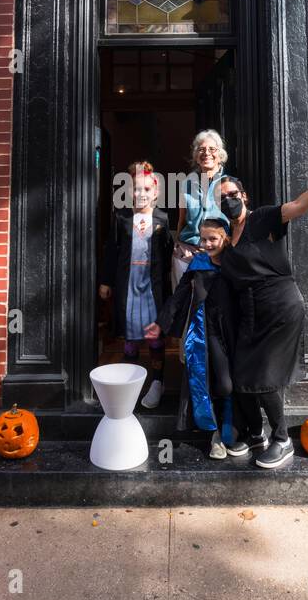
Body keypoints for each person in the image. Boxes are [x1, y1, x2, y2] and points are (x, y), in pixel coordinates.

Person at [213, 151, 308, 469]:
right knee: (242, 375)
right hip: (251, 315)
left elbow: (299, 205)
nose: (229, 201)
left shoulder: (262, 220)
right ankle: (256, 434)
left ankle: (282, 440)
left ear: (244, 196)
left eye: (233, 195)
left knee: (265, 376)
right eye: (222, 199)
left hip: (280, 309)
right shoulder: (225, 242)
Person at [143, 219, 236, 459]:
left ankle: (234, 431)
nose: (206, 244)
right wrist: (160, 324)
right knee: (207, 382)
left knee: (228, 384)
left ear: (224, 237)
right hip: (205, 332)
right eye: (203, 239)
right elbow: (179, 296)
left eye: (212, 239)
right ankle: (215, 434)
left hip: (233, 332)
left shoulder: (235, 263)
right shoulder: (198, 263)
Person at [99, 161, 173, 409]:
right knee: (130, 339)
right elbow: (112, 250)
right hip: (129, 285)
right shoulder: (121, 217)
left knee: (154, 337)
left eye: (146, 189)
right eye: (136, 189)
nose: (141, 194)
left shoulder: (163, 218)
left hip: (153, 287)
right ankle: (131, 384)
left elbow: (168, 252)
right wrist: (106, 280)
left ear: (156, 193)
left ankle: (157, 382)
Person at [173, 130, 229, 288]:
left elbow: (237, 221)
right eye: (201, 149)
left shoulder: (229, 184)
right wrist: (177, 245)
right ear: (196, 156)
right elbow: (181, 220)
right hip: (187, 252)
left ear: (221, 155)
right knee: (185, 302)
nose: (207, 153)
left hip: (218, 254)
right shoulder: (187, 184)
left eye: (212, 149)